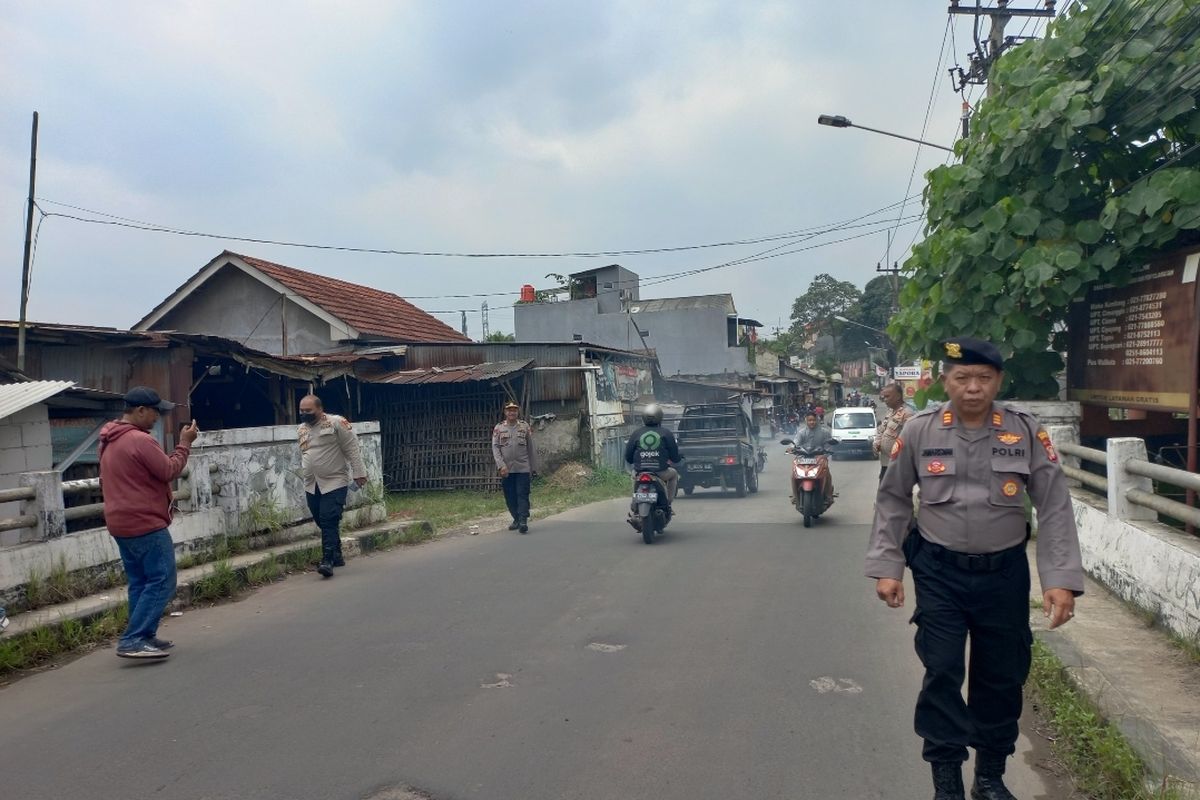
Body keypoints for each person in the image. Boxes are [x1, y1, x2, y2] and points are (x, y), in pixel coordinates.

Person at [865, 338, 1084, 800]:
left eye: (983, 378)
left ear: (998, 382)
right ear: (946, 380)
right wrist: (890, 565)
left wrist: (1060, 579)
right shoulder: (922, 429)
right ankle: (946, 782)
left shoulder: (1024, 430)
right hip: (939, 571)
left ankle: (989, 776)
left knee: (1000, 675)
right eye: (962, 378)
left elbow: (1055, 505)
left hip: (1004, 573)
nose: (972, 388)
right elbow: (893, 497)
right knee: (942, 671)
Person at [99, 386, 199, 659]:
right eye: (155, 412)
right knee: (163, 579)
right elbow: (168, 470)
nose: (157, 418)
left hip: (120, 520)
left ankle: (145, 635)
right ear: (141, 410)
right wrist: (185, 443)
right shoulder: (139, 440)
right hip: (144, 521)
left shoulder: (108, 438)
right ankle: (133, 639)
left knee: (140, 582)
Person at [298, 394, 368, 577]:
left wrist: (359, 473)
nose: (304, 414)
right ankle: (337, 555)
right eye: (302, 411)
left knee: (328, 518)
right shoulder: (302, 429)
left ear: (320, 409)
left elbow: (352, 447)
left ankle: (327, 561)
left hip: (335, 481)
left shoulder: (336, 423)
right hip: (311, 484)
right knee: (321, 519)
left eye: (308, 411)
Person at [623, 403, 681, 525]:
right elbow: (675, 457)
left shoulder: (636, 433)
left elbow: (628, 457)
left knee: (633, 476)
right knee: (674, 474)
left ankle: (634, 502)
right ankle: (669, 503)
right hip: (661, 472)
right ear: (660, 417)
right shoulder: (666, 433)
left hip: (640, 471)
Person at [492, 401, 537, 533]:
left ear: (518, 412)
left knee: (522, 494)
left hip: (523, 467)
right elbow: (495, 448)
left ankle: (523, 520)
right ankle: (516, 519)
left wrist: (533, 468)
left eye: (514, 410)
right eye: (509, 410)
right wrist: (501, 466)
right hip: (507, 469)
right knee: (510, 495)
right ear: (505, 412)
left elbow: (531, 448)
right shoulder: (499, 428)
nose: (512, 412)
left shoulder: (524, 427)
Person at [874, 382, 916, 481]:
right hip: (886, 463)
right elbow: (881, 430)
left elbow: (911, 439)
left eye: (887, 396)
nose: (885, 399)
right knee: (884, 492)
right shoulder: (890, 412)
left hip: (898, 465)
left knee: (893, 494)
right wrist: (877, 442)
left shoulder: (907, 414)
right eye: (884, 397)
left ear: (898, 396)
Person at [792, 412, 836, 505]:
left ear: (817, 421)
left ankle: (828, 495)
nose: (812, 422)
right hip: (803, 457)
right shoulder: (801, 432)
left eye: (813, 420)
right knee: (794, 474)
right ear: (806, 421)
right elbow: (796, 442)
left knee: (826, 473)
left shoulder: (824, 432)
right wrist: (792, 447)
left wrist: (825, 454)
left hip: (819, 458)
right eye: (810, 420)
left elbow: (829, 445)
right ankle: (795, 496)